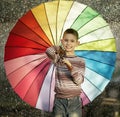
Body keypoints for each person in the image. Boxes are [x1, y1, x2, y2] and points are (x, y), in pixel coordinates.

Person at [46, 28, 85, 117]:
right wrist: (58, 47)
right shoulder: (58, 58)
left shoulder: (80, 61)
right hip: (59, 101)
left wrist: (69, 66)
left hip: (74, 102)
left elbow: (78, 80)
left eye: (72, 41)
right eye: (66, 40)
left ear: (77, 43)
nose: (68, 43)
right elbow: (48, 51)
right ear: (62, 41)